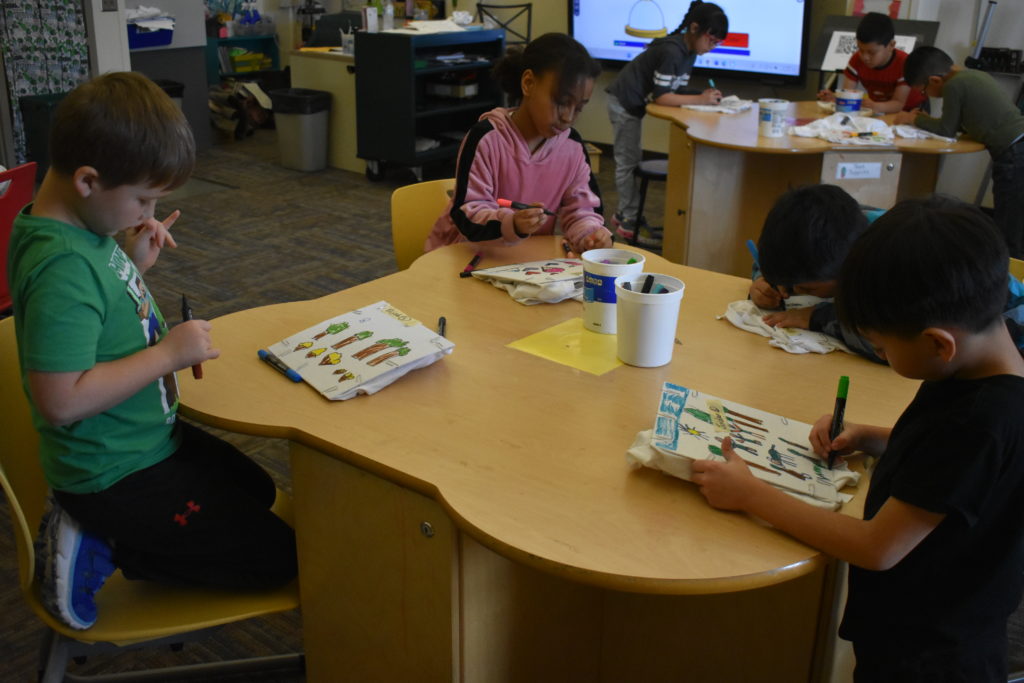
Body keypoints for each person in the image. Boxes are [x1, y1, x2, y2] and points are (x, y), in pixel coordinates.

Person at [7, 72, 297, 630]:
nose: (147, 211)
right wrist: (167, 356)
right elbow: (60, 402)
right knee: (278, 559)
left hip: (143, 440)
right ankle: (104, 539)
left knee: (257, 491)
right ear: (88, 180)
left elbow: (92, 314)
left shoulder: (77, 232)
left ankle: (118, 530)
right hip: (113, 470)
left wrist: (131, 262)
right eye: (141, 197)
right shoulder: (63, 267)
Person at [693, 197, 1024, 682]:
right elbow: (955, 474)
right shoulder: (986, 373)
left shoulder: (979, 420)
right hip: (934, 632)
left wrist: (750, 494)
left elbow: (877, 547)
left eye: (883, 347)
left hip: (929, 658)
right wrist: (870, 437)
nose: (881, 354)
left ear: (938, 342)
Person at [424, 33, 612, 257]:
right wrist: (511, 224)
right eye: (561, 103)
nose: (568, 117)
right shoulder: (487, 139)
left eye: (579, 107)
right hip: (465, 257)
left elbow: (582, 210)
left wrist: (590, 235)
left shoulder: (572, 147)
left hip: (524, 264)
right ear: (528, 83)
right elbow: (468, 213)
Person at [605, 0, 727, 243]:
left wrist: (702, 96)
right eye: (711, 41)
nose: (712, 47)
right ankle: (628, 222)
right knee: (627, 162)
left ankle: (624, 214)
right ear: (694, 29)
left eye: (718, 43)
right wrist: (701, 99)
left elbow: (676, 89)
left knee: (630, 159)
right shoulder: (672, 51)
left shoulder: (689, 52)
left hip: (631, 103)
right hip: (623, 102)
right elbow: (662, 97)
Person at [895, 46, 1024, 259]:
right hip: (1017, 145)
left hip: (1014, 154)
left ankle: (1011, 276)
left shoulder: (954, 85)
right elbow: (970, 122)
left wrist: (913, 118)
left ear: (935, 80)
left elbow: (947, 130)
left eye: (923, 91)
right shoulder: (975, 76)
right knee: (1016, 221)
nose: (925, 96)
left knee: (1009, 226)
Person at [748, 184, 881, 362]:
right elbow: (771, 259)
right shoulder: (818, 229)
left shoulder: (886, 263)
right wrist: (766, 281)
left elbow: (890, 341)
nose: (789, 293)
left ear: (848, 269)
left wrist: (816, 317)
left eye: (808, 289)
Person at [816, 12, 926, 114]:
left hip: (912, 110)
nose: (865, 57)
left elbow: (898, 104)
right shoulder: (856, 60)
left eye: (871, 52)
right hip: (880, 110)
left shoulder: (903, 63)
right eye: (860, 49)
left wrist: (875, 106)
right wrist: (837, 98)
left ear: (891, 45)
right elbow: (848, 93)